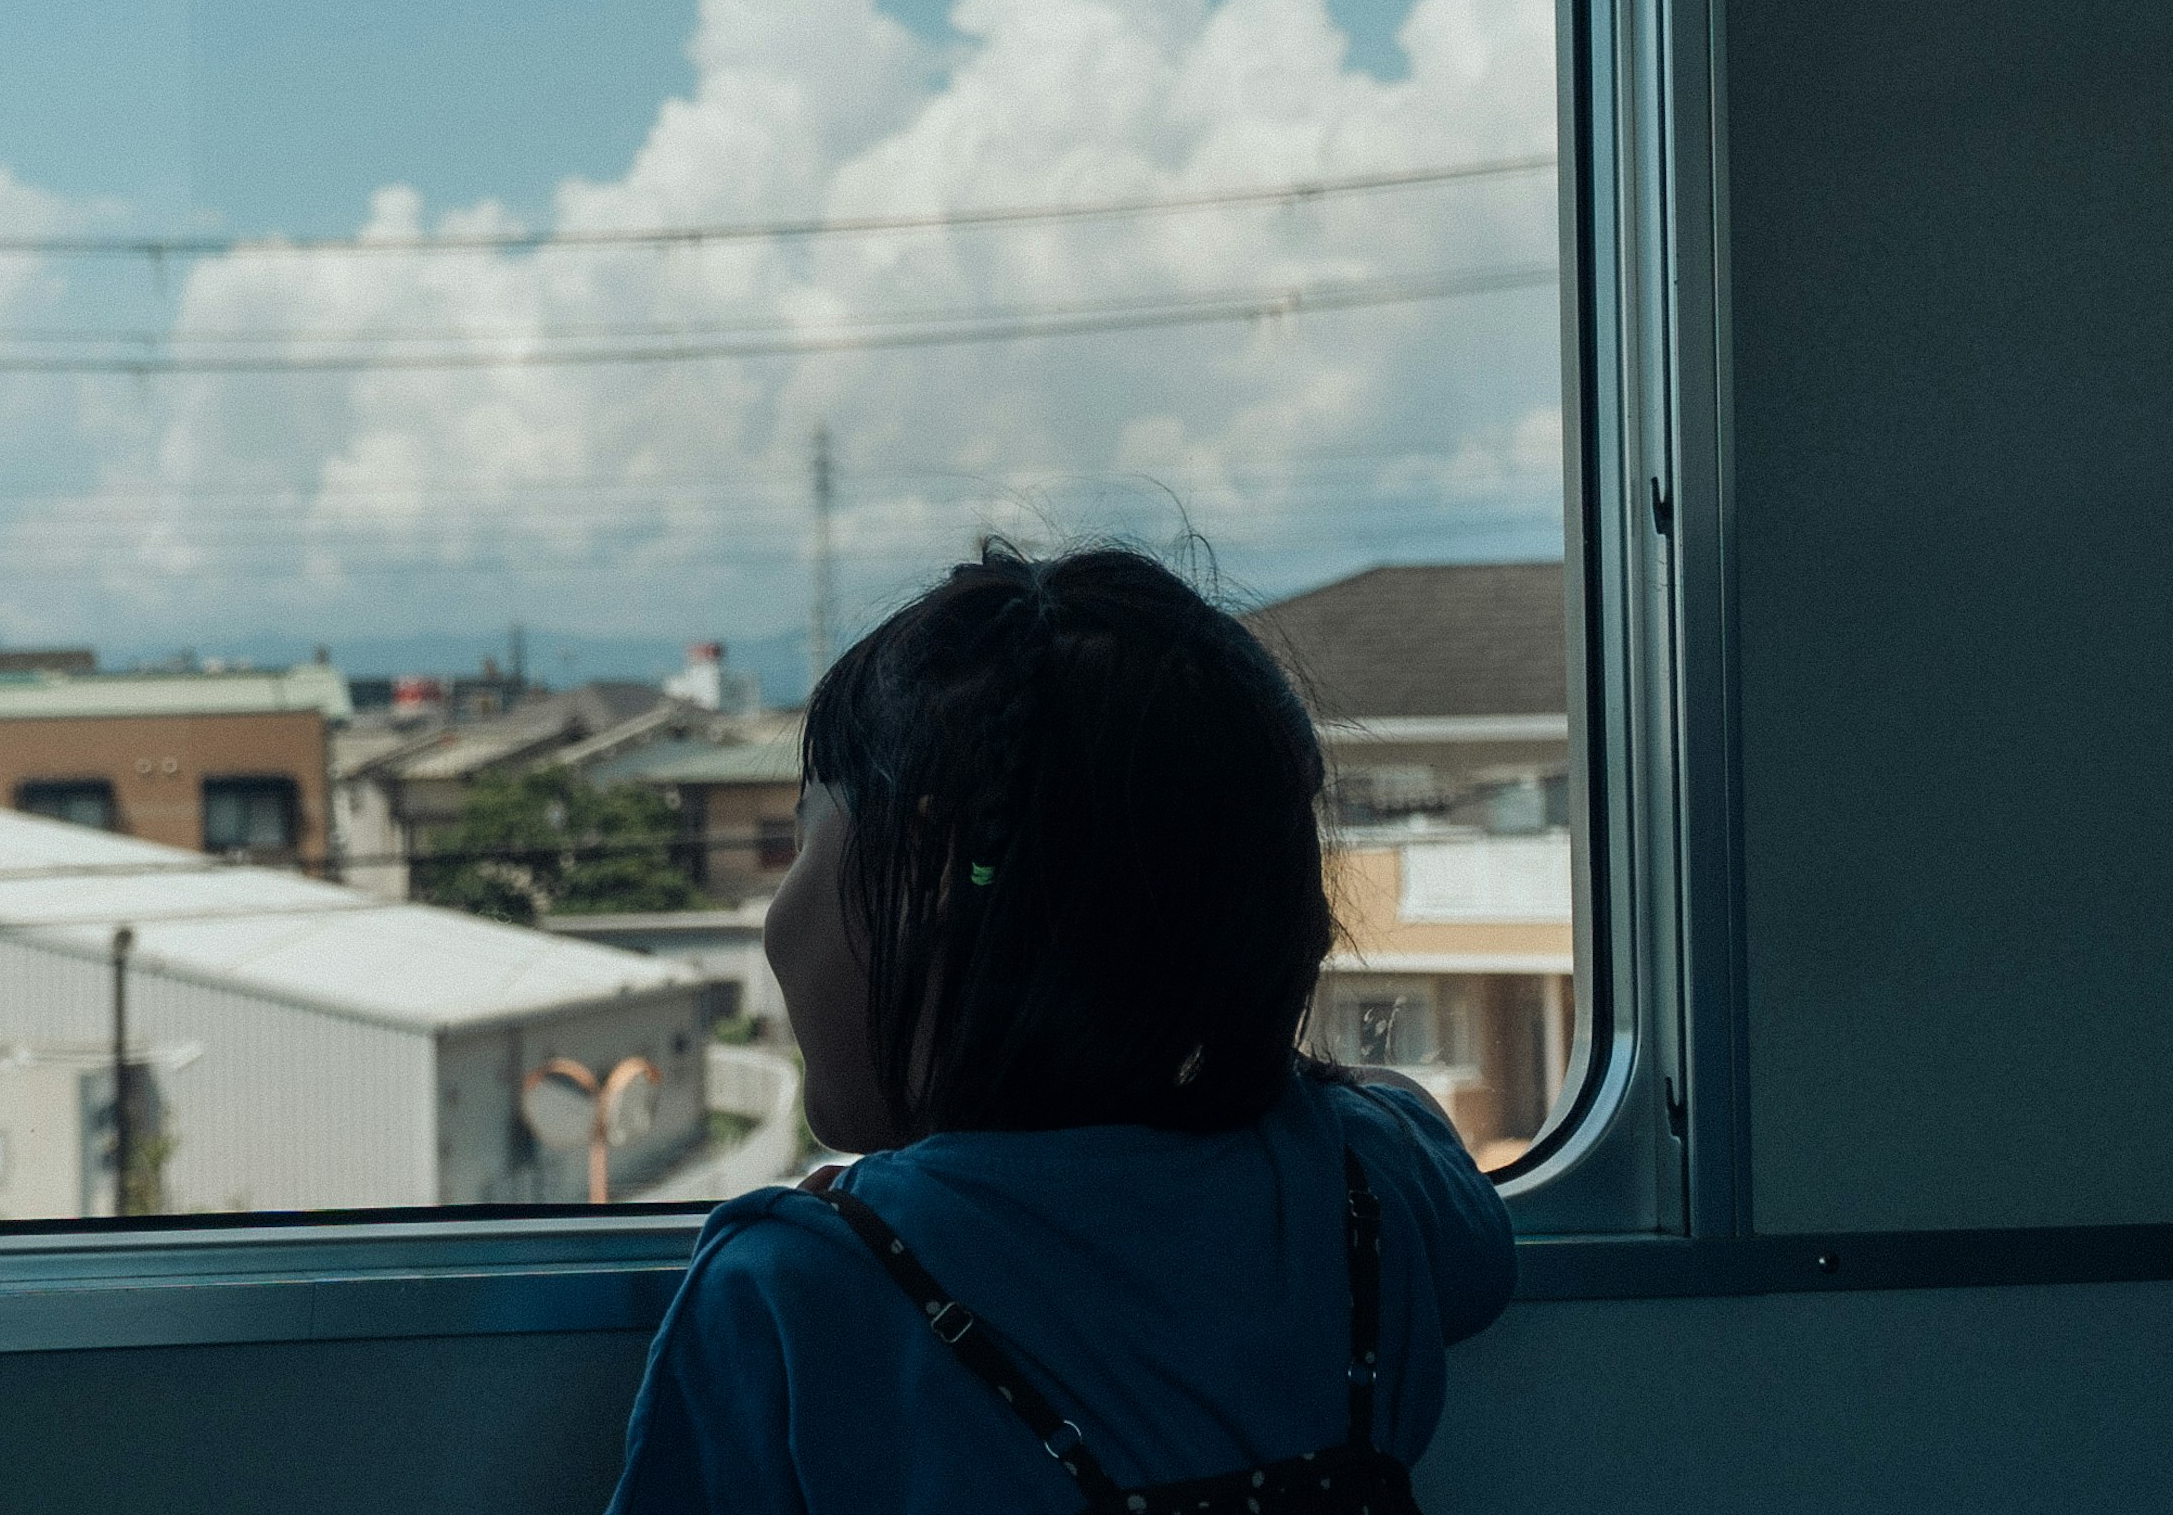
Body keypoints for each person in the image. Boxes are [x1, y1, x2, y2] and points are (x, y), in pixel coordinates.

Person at [604, 542, 1517, 1513]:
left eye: (799, 838)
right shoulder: (1364, 1184)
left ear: (929, 870)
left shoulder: (795, 1284)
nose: (773, 910)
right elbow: (1451, 1202)